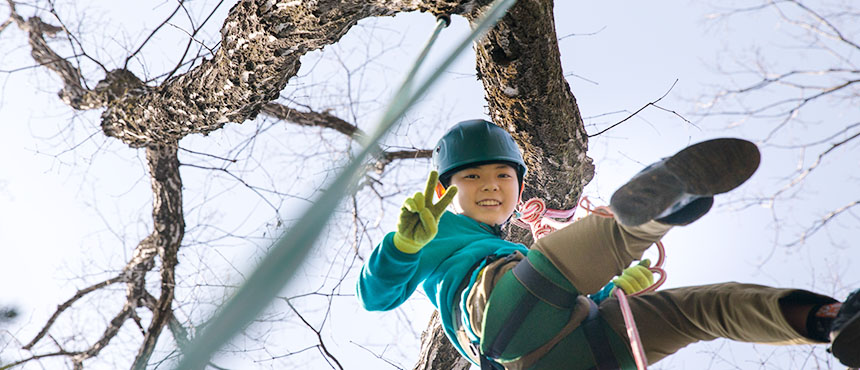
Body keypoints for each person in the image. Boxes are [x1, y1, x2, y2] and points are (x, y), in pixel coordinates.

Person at [356, 119, 860, 369]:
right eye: (471, 176)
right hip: (501, 321)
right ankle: (660, 202)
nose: (490, 185)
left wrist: (619, 287)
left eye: (503, 175)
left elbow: (573, 306)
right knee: (555, 262)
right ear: (447, 189)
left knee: (703, 311)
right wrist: (402, 245)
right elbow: (376, 296)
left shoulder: (507, 246)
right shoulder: (433, 227)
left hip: (574, 347)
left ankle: (830, 323)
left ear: (518, 185)